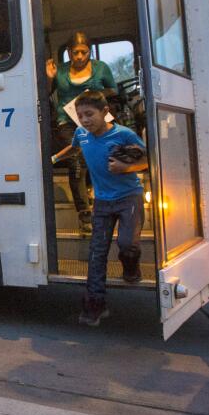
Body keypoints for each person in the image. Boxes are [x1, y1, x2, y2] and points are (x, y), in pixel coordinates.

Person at [51, 91, 148, 327]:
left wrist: (125, 168)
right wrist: (54, 158)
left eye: (90, 114)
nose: (84, 120)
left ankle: (131, 266)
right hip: (103, 202)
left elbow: (148, 160)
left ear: (105, 113)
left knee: (127, 243)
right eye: (80, 115)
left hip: (129, 198)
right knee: (96, 254)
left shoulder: (123, 134)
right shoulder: (81, 134)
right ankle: (95, 304)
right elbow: (75, 148)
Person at [46, 31, 117, 233]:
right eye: (75, 52)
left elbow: (113, 90)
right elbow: (46, 94)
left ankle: (101, 198)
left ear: (89, 51)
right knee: (77, 156)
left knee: (97, 154)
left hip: (94, 121)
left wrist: (94, 95)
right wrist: (49, 79)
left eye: (83, 52)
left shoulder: (100, 68)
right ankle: (84, 212)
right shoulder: (61, 70)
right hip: (67, 121)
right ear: (68, 52)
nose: (79, 57)